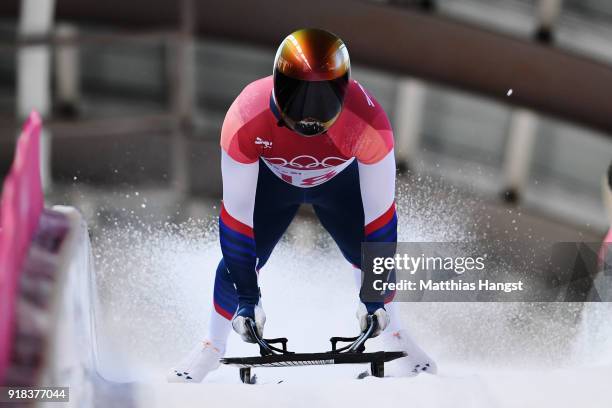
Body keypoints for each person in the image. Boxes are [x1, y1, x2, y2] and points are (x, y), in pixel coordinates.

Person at [168, 28, 436, 382]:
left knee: (373, 257)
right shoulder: (245, 117)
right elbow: (236, 221)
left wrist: (372, 298)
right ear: (278, 85)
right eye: (299, 97)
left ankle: (394, 334)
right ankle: (211, 347)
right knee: (237, 266)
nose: (310, 113)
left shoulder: (370, 124)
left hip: (338, 187)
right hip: (274, 187)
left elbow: (380, 222)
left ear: (345, 89)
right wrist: (248, 297)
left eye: (323, 99)